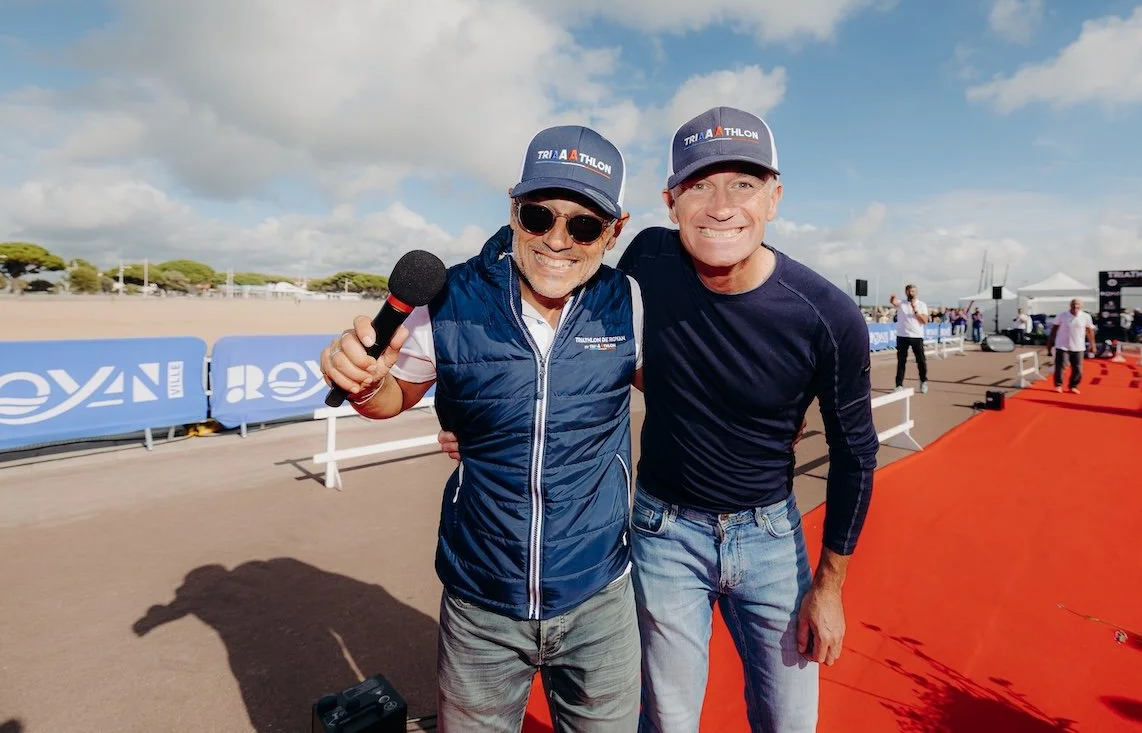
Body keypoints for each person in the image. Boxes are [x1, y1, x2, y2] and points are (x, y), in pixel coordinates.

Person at [319, 125, 643, 732]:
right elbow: (391, 398)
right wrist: (361, 379)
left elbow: (696, 396)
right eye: (539, 215)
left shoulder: (630, 301)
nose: (556, 240)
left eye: (583, 225)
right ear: (513, 208)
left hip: (602, 593)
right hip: (481, 600)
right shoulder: (450, 297)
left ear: (615, 229)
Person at [617, 106, 879, 732]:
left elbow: (856, 455)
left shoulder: (827, 316)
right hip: (663, 532)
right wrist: (486, 419)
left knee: (788, 722)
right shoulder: (646, 259)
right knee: (669, 722)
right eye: (700, 185)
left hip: (770, 539)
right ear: (671, 202)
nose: (721, 204)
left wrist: (830, 587)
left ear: (775, 198)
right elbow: (572, 317)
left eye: (743, 183)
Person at [1046, 298, 1096, 394]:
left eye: (1077, 304)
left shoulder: (1086, 316)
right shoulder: (1062, 315)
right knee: (1061, 366)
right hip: (1062, 345)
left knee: (1078, 368)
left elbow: (1090, 331)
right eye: (1073, 304)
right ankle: (1058, 385)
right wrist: (1050, 343)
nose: (1075, 306)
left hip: (1078, 346)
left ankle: (1073, 386)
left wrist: (1092, 345)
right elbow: (1054, 329)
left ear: (1081, 306)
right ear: (1070, 305)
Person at [891, 284, 929, 393]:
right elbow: (894, 302)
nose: (911, 293)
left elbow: (925, 321)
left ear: (916, 293)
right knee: (901, 361)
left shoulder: (921, 305)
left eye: (913, 291)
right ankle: (899, 385)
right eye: (909, 291)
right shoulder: (901, 303)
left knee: (921, 360)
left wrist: (915, 310)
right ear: (906, 292)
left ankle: (923, 381)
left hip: (916, 336)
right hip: (902, 335)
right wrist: (892, 298)